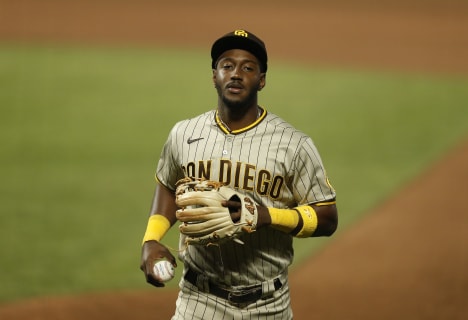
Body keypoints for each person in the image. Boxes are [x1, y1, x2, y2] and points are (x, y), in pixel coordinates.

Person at [140, 29, 338, 319]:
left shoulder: (294, 145)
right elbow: (169, 185)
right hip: (198, 299)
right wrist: (151, 239)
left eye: (248, 67)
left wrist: (267, 216)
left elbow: (327, 216)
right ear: (214, 76)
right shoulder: (184, 134)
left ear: (261, 80)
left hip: (268, 304)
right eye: (227, 65)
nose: (236, 74)